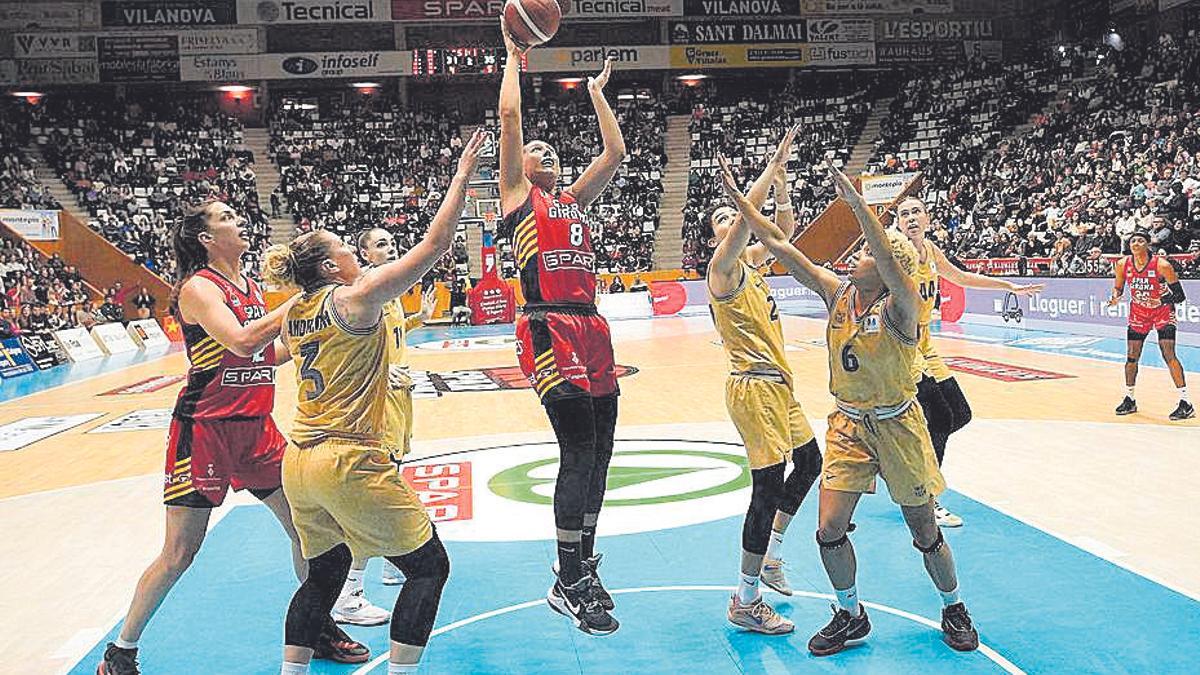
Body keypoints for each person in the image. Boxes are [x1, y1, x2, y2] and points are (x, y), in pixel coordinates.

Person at [721, 164, 980, 657]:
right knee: (828, 530)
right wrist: (744, 207)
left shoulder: (903, 307)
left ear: (885, 271)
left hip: (898, 425)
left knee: (925, 534)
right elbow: (782, 248)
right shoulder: (837, 293)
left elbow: (884, 250)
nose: (856, 257)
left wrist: (860, 208)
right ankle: (850, 613)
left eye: (864, 254)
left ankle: (953, 606)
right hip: (847, 425)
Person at [98, 201, 367, 675]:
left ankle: (316, 623)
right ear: (205, 237)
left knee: (312, 532)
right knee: (180, 552)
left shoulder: (250, 287)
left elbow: (266, 355)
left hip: (257, 429)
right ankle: (121, 652)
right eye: (225, 216)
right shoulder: (199, 289)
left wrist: (319, 328)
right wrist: (303, 302)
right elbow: (243, 341)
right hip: (205, 431)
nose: (238, 219)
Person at [266, 129, 485, 675]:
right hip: (348, 457)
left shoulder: (294, 310)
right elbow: (433, 248)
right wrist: (460, 178)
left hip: (300, 461)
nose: (349, 248)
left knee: (324, 572)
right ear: (330, 267)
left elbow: (268, 352)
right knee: (429, 568)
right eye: (342, 245)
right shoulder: (357, 295)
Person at [497, 16, 626, 635]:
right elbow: (510, 122)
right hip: (546, 326)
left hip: (592, 328)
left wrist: (598, 96)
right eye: (533, 150)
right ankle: (567, 574)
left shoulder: (572, 200)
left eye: (550, 150)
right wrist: (514, 57)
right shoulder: (518, 197)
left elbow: (616, 154)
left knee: (600, 453)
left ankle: (583, 562)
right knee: (576, 449)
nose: (542, 150)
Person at [706, 133, 821, 635]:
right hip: (752, 388)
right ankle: (745, 598)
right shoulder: (722, 270)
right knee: (765, 487)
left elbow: (784, 231)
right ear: (715, 237)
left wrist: (782, 175)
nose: (731, 224)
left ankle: (771, 554)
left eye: (731, 217)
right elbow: (744, 231)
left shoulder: (752, 265)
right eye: (721, 221)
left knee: (811, 461)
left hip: (781, 387)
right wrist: (765, 171)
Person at [894, 196, 1043, 527]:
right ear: (898, 224)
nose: (911, 218)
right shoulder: (896, 254)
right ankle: (925, 497)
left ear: (928, 218)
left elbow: (960, 278)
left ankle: (906, 462)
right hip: (906, 350)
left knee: (959, 414)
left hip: (927, 348)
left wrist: (1009, 286)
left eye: (916, 211)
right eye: (904, 214)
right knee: (940, 418)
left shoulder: (930, 250)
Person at [327, 228, 441, 627]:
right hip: (376, 404)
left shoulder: (387, 292)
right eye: (380, 245)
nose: (390, 249)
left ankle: (395, 554)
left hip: (398, 398)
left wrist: (418, 319)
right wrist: (380, 375)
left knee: (394, 477)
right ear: (362, 253)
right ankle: (349, 591)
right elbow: (350, 347)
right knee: (375, 495)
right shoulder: (360, 292)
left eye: (393, 243)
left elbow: (391, 333)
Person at [1109, 230, 1192, 420]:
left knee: (1168, 354)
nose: (1135, 244)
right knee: (1132, 357)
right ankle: (1129, 398)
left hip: (1163, 312)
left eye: (1139, 241)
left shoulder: (1162, 265)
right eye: (1132, 241)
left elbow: (1180, 296)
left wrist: (1161, 301)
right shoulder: (1123, 264)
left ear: (1148, 244)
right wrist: (1114, 297)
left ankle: (1185, 402)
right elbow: (1118, 288)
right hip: (1139, 313)